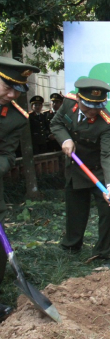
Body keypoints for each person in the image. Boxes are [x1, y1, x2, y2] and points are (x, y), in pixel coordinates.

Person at [50, 78, 110, 263]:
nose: (93, 112)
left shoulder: (107, 122)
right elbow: (56, 124)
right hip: (77, 168)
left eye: (98, 107)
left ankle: (102, 253)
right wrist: (65, 139)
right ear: (79, 100)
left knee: (107, 210)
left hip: (99, 172)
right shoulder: (67, 104)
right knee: (76, 209)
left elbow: (109, 153)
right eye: (88, 107)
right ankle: (72, 245)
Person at [0, 56, 40, 321]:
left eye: (18, 89)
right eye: (7, 86)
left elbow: (6, 156)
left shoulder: (15, 118)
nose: (12, 94)